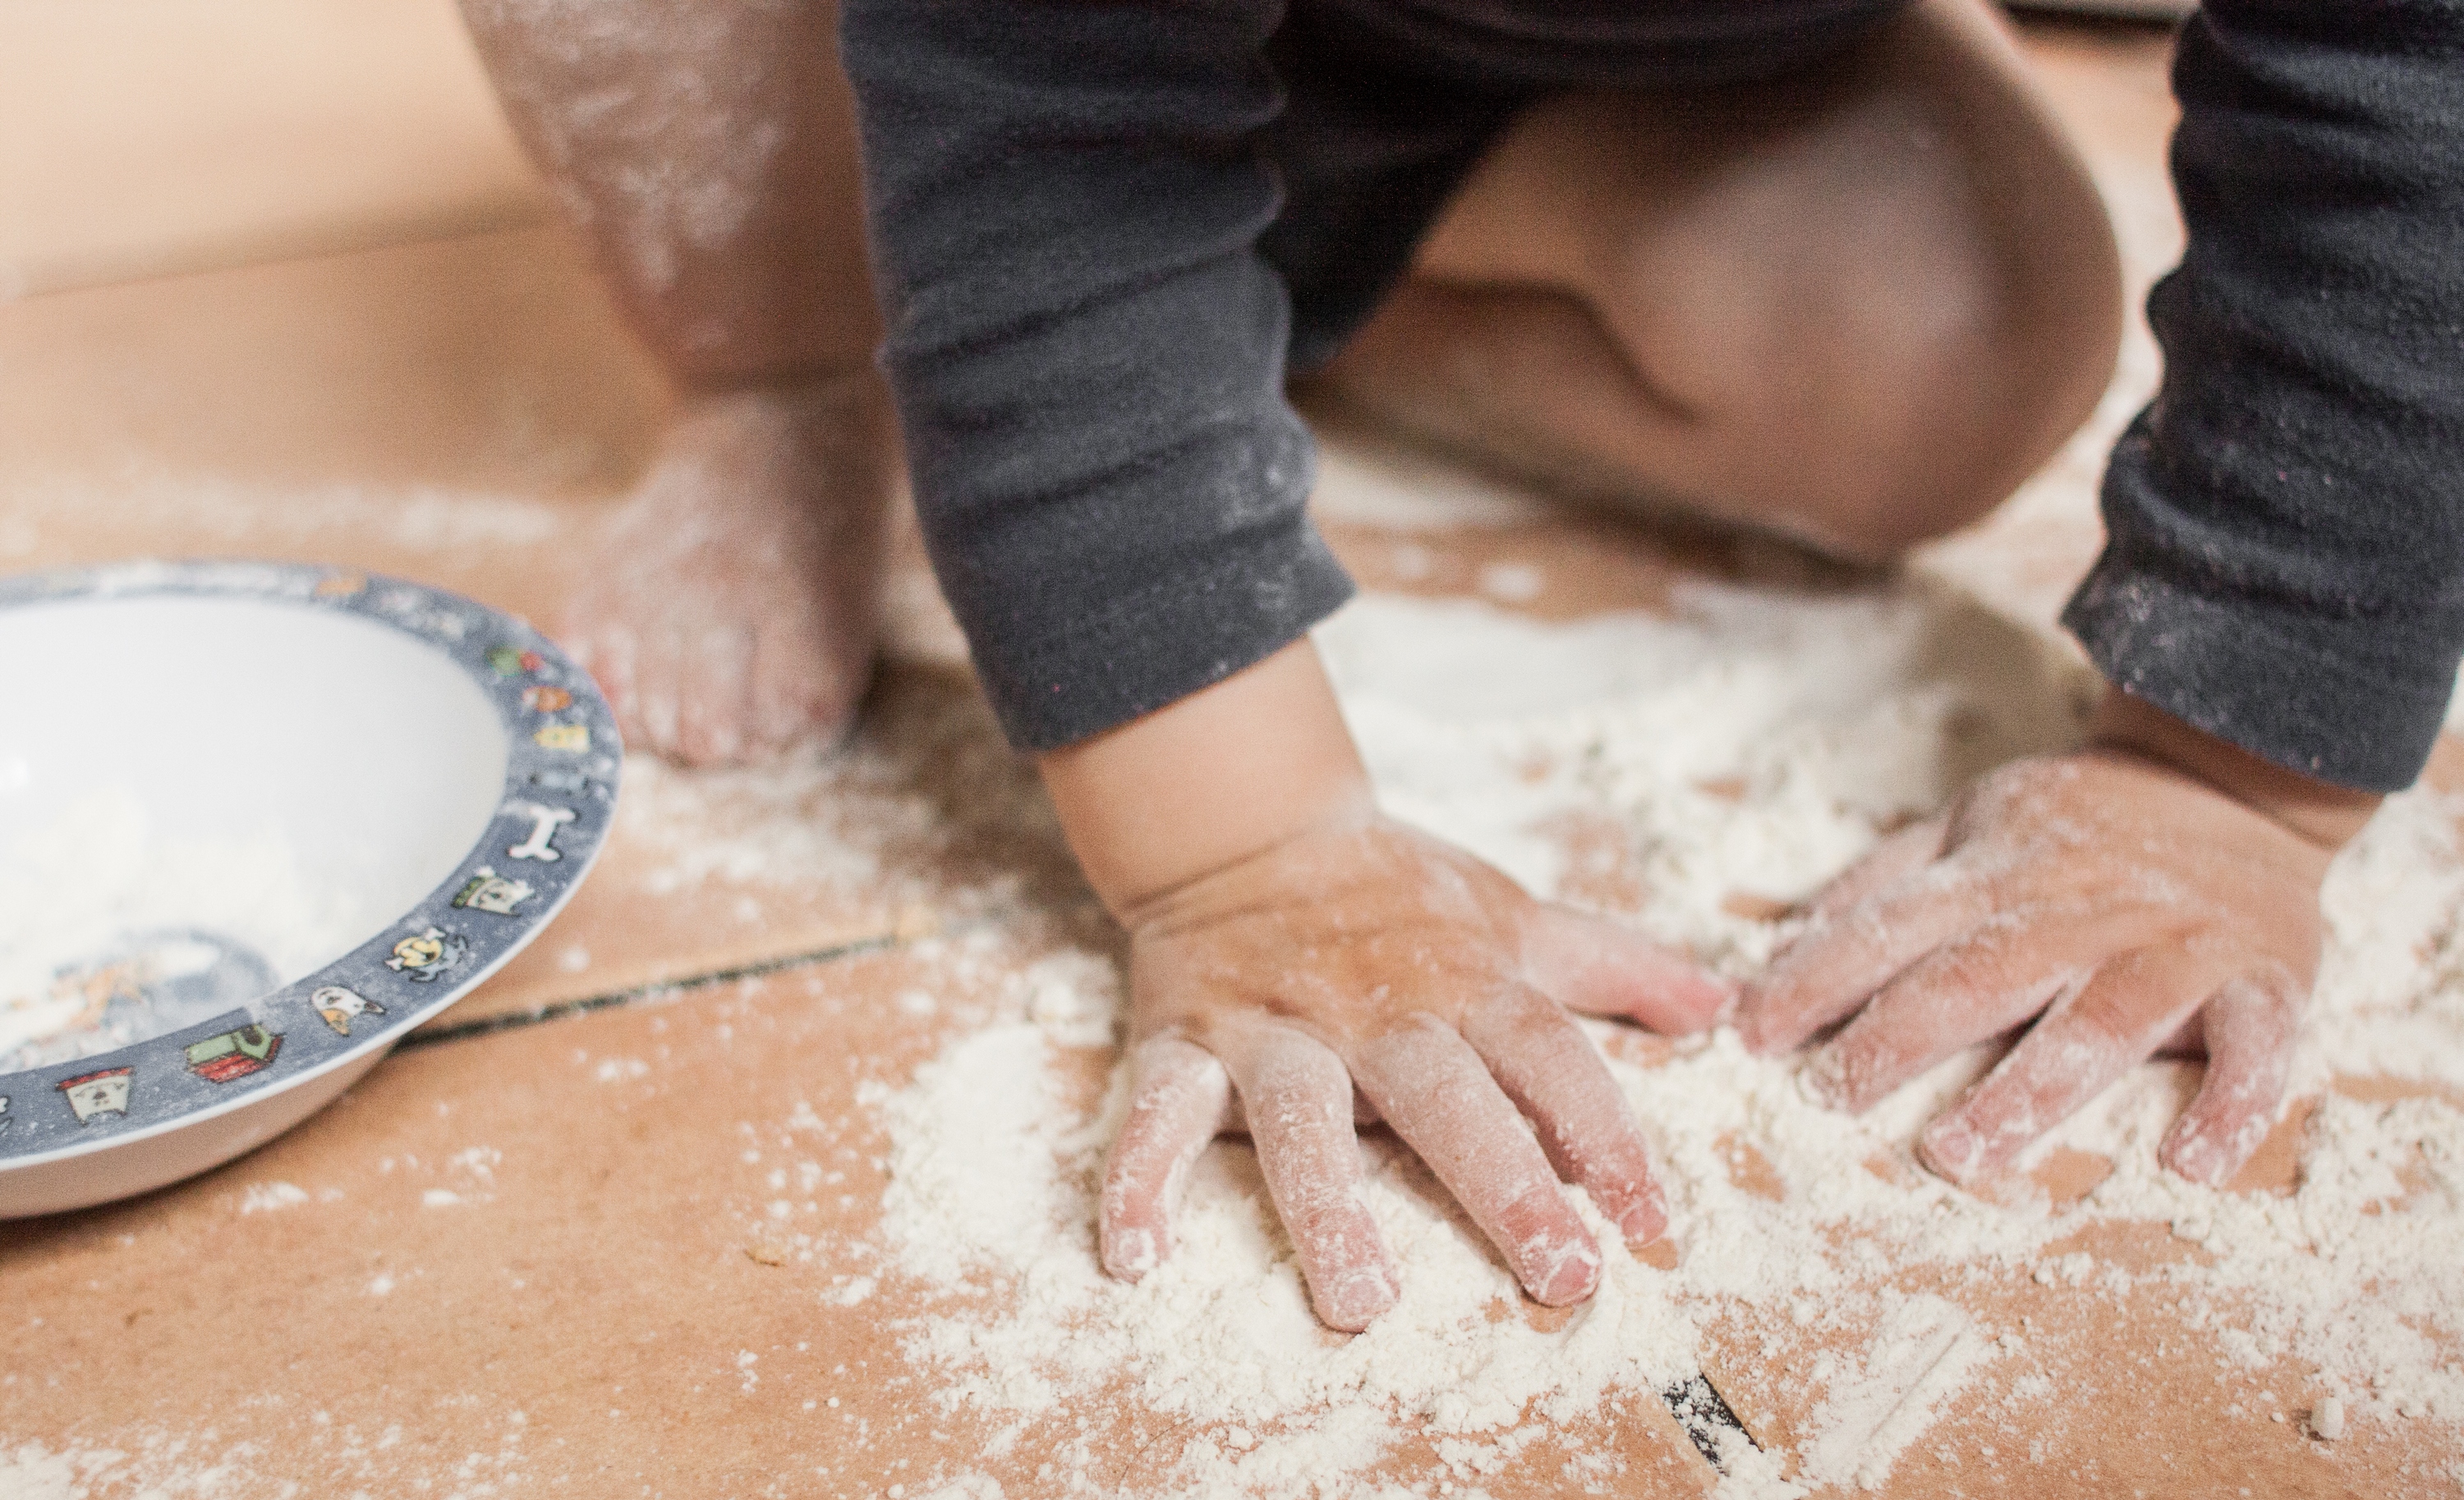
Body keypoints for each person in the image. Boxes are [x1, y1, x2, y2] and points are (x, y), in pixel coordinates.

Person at [462, 0, 2462, 1332]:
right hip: (914, 49)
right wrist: (1252, 856)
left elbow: (2399, 91)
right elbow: (1044, 131)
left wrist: (2227, 777)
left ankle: (1265, 273)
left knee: (1938, 331)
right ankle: (796, 346)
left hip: (1513, 66)